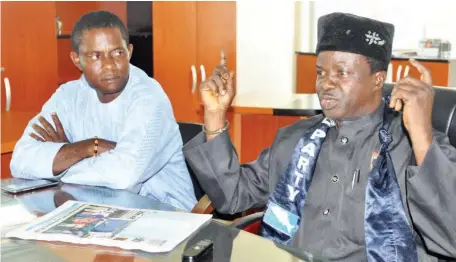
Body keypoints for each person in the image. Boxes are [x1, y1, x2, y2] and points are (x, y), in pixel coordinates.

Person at [183, 12, 456, 261]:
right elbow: (232, 197)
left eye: (342, 72)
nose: (326, 83)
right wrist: (216, 116)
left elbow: (451, 236)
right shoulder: (297, 139)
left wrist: (421, 135)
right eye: (320, 72)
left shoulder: (412, 145)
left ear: (377, 79)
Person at [10, 11, 196, 211]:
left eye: (117, 53)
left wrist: (61, 160)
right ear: (76, 60)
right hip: (101, 214)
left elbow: (123, 176)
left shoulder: (149, 98)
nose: (109, 65)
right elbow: (20, 160)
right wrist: (88, 147)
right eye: (95, 56)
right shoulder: (68, 96)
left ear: (129, 52)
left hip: (167, 220)